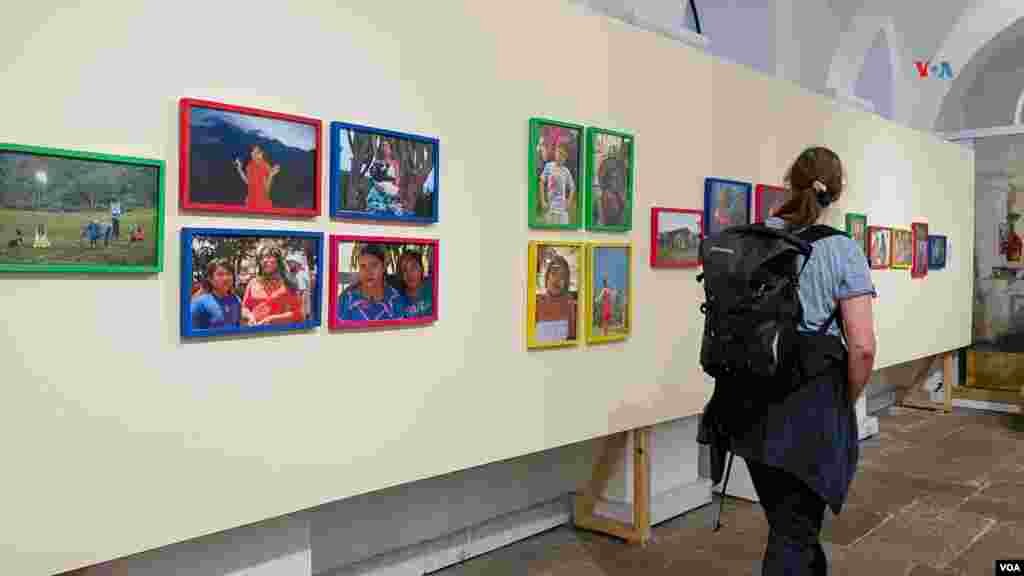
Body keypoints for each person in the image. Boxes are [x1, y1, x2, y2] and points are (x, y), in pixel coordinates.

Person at [698, 147, 877, 576]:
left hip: (746, 403)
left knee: (789, 522)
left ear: (788, 182)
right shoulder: (841, 250)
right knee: (793, 533)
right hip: (809, 408)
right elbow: (863, 346)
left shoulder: (754, 240)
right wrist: (846, 399)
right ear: (836, 191)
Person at [338, 243, 405, 321]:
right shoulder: (346, 299)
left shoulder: (395, 300)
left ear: (384, 267)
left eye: (374, 265)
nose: (368, 272)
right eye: (363, 266)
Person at [241, 243, 303, 326]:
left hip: (279, 334)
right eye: (263, 257)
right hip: (254, 332)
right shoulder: (253, 283)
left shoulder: (288, 283)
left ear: (278, 261)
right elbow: (244, 308)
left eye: (270, 256)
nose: (266, 260)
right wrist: (250, 316)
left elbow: (298, 314)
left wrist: (272, 319)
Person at [534, 253, 576, 342]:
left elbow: (572, 338)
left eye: (562, 276)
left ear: (566, 281)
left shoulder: (569, 303)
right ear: (547, 277)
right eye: (554, 273)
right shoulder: (536, 301)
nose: (557, 279)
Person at [190, 259, 242, 330]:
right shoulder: (199, 304)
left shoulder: (236, 300)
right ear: (210, 279)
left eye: (229, 274)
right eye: (220, 274)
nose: (225, 278)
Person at [234, 144, 280, 211]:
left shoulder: (265, 166)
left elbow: (266, 189)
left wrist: (271, 175)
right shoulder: (249, 166)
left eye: (257, 153)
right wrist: (240, 169)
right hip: (250, 201)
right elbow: (249, 182)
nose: (254, 155)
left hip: (263, 202)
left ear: (261, 154)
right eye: (252, 153)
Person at [540, 141, 575, 226]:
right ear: (555, 152)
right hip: (550, 208)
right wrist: (543, 200)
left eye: (563, 155)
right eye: (558, 152)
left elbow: (572, 187)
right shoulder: (549, 166)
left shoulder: (566, 171)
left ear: (566, 158)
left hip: (562, 210)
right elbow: (541, 182)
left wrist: (569, 201)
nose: (560, 156)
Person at [365, 140, 404, 215]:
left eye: (387, 146)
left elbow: (397, 178)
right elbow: (372, 177)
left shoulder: (395, 163)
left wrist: (394, 190)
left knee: (394, 210)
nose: (385, 148)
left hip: (391, 191)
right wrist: (377, 185)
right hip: (377, 189)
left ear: (391, 149)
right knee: (373, 208)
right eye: (383, 145)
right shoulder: (377, 162)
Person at [398, 250, 433, 318]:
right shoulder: (398, 301)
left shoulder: (432, 285)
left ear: (422, 268)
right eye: (404, 270)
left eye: (413, 267)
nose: (410, 274)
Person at [286, 252, 312, 318]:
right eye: (288, 262)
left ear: (297, 263)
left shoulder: (300, 275)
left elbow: (302, 295)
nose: (289, 264)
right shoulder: (292, 274)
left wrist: (303, 312)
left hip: (300, 308)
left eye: (291, 262)